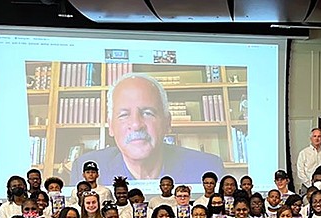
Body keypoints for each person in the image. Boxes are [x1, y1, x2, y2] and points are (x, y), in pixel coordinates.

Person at [70, 74, 223, 182]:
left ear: (167, 123)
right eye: (124, 115)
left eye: (148, 113)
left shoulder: (207, 168)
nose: (136, 125)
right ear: (111, 126)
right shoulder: (84, 169)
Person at [296, 128, 321, 193]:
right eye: (314, 136)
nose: (317, 138)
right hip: (307, 186)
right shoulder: (304, 153)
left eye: (319, 136)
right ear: (311, 138)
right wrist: (310, 185)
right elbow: (300, 172)